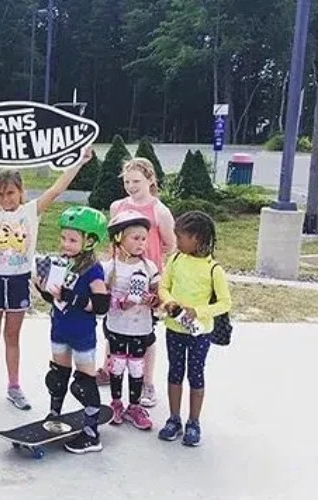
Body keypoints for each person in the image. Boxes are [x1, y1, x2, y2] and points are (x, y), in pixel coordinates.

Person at [0, 144, 93, 409]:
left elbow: (56, 189)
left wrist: (79, 162)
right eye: (0, 194)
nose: (6, 199)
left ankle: (14, 386)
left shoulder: (30, 211)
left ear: (20, 192)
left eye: (10, 193)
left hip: (19, 280)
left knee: (12, 336)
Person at [97, 158, 176, 407]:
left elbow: (171, 245)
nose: (131, 186)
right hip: (118, 272)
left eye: (137, 181)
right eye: (127, 181)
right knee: (114, 324)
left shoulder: (159, 211)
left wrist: (157, 278)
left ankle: (147, 382)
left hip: (146, 275)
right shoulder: (117, 206)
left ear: (151, 180)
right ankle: (109, 368)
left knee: (145, 333)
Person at [34, 206, 110, 454]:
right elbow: (55, 299)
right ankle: (54, 414)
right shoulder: (61, 264)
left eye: (73, 239)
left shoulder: (93, 271)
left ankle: (91, 435)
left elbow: (100, 305)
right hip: (59, 328)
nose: (66, 244)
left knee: (83, 384)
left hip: (81, 334)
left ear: (89, 241)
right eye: (64, 238)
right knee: (57, 378)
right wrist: (41, 287)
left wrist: (70, 295)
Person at [158, 211, 231, 447]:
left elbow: (224, 303)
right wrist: (169, 301)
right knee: (175, 372)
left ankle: (193, 421)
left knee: (196, 375)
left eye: (181, 238)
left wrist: (197, 311)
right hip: (174, 328)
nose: (177, 242)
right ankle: (174, 418)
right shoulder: (176, 260)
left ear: (197, 239)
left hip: (200, 332)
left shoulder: (213, 269)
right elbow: (163, 286)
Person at [102, 211, 161, 430]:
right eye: (135, 238)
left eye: (143, 238)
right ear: (119, 238)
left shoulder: (149, 268)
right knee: (116, 366)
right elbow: (102, 298)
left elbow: (158, 297)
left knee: (137, 367)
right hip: (117, 326)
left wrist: (152, 300)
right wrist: (119, 303)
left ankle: (134, 406)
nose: (141, 243)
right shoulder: (109, 268)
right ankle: (116, 403)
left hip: (140, 328)